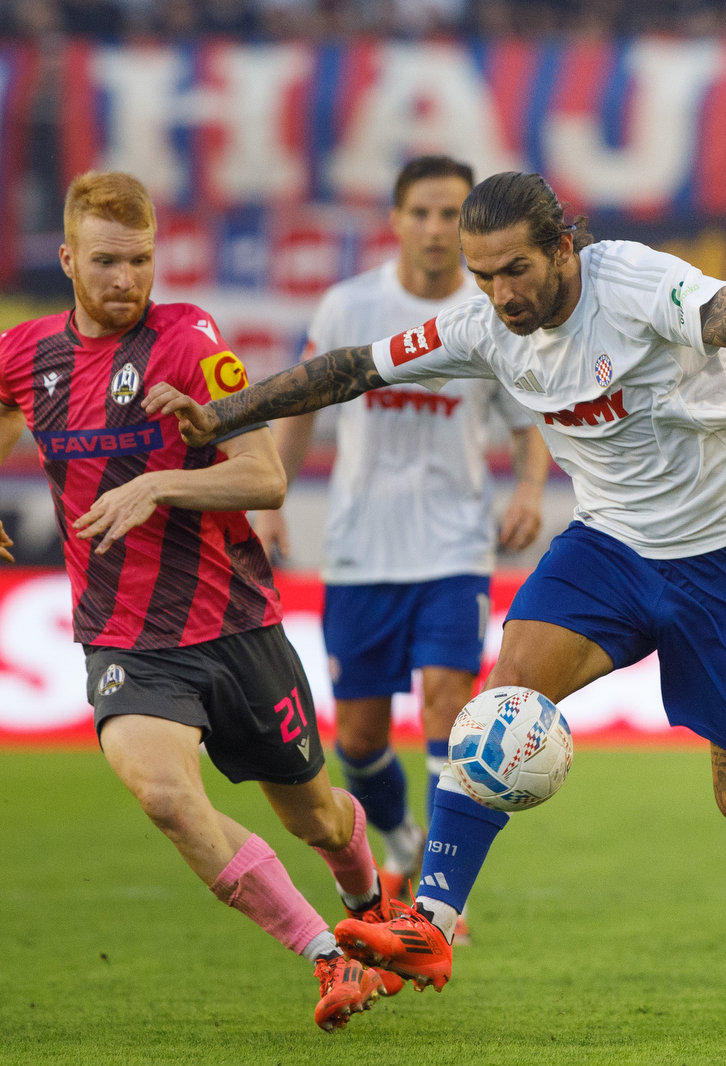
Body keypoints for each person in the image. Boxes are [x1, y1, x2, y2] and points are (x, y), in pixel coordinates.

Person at [144, 171, 726, 1036]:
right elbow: (352, 369)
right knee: (499, 709)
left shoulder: (630, 282)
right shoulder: (483, 324)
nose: (502, 295)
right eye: (484, 277)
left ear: (562, 247)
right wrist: (222, 415)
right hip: (612, 548)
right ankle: (430, 924)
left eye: (516, 270)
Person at [0, 171, 396, 1033]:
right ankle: (325, 954)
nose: (128, 280)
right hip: (125, 639)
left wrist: (161, 481)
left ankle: (369, 899)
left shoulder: (189, 343)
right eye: (109, 262)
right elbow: (3, 400)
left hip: (236, 624)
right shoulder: (28, 350)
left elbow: (265, 478)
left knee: (315, 813)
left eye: (144, 260)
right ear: (68, 258)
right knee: (163, 795)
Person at [253, 157, 550, 942]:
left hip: (454, 547)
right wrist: (271, 493)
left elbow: (530, 426)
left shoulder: (495, 315)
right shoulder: (350, 308)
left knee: (449, 708)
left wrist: (526, 492)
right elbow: (303, 407)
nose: (435, 228)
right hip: (360, 550)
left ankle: (439, 898)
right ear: (396, 219)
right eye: (422, 211)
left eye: (451, 213)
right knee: (356, 740)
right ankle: (399, 842)